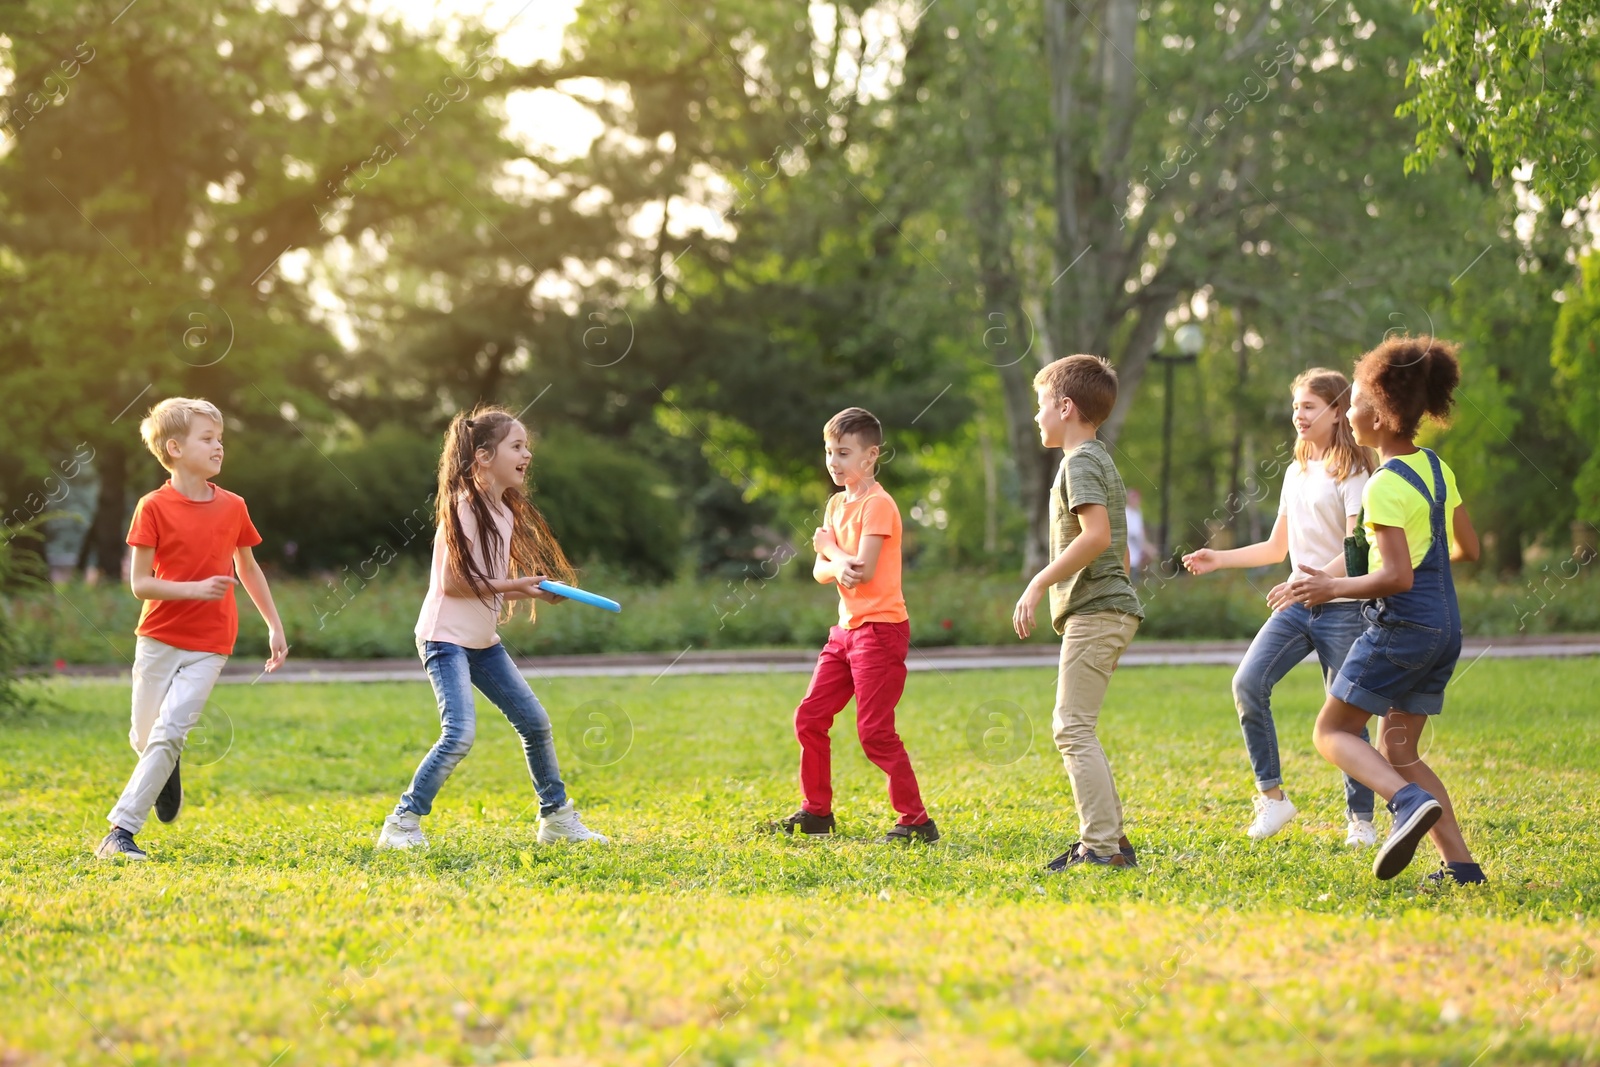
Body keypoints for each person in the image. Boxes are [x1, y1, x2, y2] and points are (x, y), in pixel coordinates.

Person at [1291, 336, 1485, 883]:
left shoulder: (1382, 485)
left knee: (1332, 733)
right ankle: (1462, 867)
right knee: (1399, 749)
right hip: (1446, 625)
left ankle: (1403, 804)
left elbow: (1396, 577)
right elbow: (1469, 549)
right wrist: (1424, 563)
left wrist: (1332, 590)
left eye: (1351, 402)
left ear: (1376, 414)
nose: (1347, 413)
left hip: (1403, 626)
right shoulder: (1435, 469)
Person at [376, 407, 606, 849]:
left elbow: (488, 587)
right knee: (459, 733)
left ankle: (556, 818)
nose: (528, 455)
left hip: (482, 643)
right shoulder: (464, 507)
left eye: (527, 447)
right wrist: (518, 583)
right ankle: (401, 823)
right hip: (445, 640)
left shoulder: (502, 512)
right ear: (483, 456)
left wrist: (531, 592)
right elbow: (453, 583)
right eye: (517, 447)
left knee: (535, 723)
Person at [1183, 369, 1381, 846]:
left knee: (1347, 714)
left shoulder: (1353, 471)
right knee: (1248, 683)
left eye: (1309, 406)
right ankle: (1273, 799)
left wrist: (1317, 583)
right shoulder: (1295, 471)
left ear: (1337, 412)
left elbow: (1358, 544)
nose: (1299, 414)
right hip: (1297, 604)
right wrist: (1219, 558)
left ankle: (1362, 820)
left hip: (1341, 604)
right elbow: (1277, 547)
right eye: (1296, 406)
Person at [95, 398, 288, 860]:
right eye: (208, 439)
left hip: (210, 643)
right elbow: (141, 584)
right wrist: (194, 588)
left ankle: (119, 833)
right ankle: (166, 765)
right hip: (157, 637)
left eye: (220, 438)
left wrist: (274, 626)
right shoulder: (152, 507)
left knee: (168, 732)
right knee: (145, 738)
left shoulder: (234, 507)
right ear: (175, 448)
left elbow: (250, 569)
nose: (219, 447)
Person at [774, 407, 936, 843]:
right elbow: (819, 572)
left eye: (844, 452)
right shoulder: (835, 503)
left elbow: (858, 571)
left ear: (870, 456)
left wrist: (831, 550)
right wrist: (832, 559)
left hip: (880, 631)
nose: (833, 461)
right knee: (809, 717)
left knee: (874, 733)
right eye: (829, 451)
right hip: (845, 632)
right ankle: (816, 813)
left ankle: (916, 821)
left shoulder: (878, 505)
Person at [1013, 355, 1144, 869]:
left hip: (1097, 611)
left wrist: (1039, 582)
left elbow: (1098, 536)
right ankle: (1110, 840)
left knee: (1071, 727)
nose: (1037, 416)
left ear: (1065, 407)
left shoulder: (1081, 462)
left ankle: (1101, 847)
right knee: (1078, 725)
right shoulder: (1098, 460)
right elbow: (1120, 548)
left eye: (1041, 405)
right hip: (1106, 609)